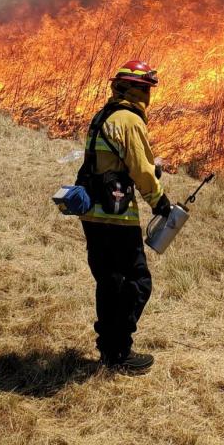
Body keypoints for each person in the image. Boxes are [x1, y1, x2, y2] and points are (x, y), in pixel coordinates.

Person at [75, 60, 173, 374]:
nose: (147, 94)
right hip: (116, 218)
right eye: (144, 88)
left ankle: (108, 348)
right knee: (137, 282)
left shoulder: (102, 116)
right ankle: (120, 352)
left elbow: (111, 162)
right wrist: (159, 201)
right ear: (129, 89)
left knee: (108, 282)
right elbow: (142, 170)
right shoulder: (129, 120)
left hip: (92, 214)